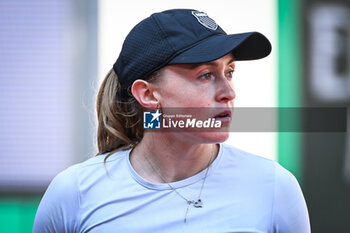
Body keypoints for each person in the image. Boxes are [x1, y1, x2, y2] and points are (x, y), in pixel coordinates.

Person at [33, 9, 311, 233]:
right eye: (205, 75)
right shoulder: (74, 192)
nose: (229, 93)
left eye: (229, 71)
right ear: (148, 94)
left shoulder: (274, 186)